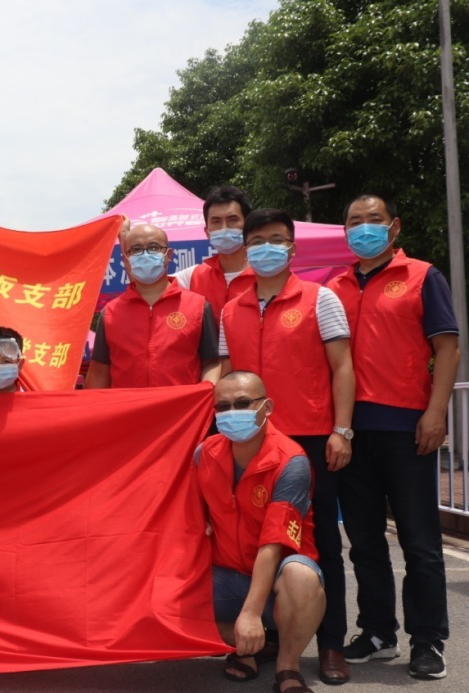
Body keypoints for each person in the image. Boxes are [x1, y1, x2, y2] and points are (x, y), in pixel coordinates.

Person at [219, 208, 355, 685]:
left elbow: (342, 366)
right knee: (256, 539)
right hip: (251, 440)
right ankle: (268, 636)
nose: (266, 249)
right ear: (245, 248)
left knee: (322, 544)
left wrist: (342, 430)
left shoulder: (322, 298)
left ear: (293, 248)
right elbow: (225, 375)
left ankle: (331, 643)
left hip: (312, 438)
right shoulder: (230, 308)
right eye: (257, 241)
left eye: (276, 239)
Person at [327, 194, 459, 680]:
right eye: (354, 222)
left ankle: (428, 640)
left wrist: (436, 411)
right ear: (345, 231)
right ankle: (378, 632)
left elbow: (447, 347)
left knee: (420, 542)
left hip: (407, 428)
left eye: (374, 220)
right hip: (350, 431)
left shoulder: (423, 277)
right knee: (363, 540)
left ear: (394, 227)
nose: (364, 228)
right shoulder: (333, 287)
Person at [195, 371, 324, 693]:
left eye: (242, 403)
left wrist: (251, 613)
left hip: (276, 579)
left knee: (302, 575)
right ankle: (246, 647)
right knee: (159, 592)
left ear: (267, 407)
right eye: (222, 407)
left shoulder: (291, 461)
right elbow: (187, 511)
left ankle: (287, 665)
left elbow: (273, 543)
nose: (231, 413)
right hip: (223, 574)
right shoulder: (204, 454)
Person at [86, 223, 220, 389]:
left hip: (182, 405)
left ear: (168, 255)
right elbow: (99, 372)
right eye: (136, 249)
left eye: (154, 247)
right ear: (126, 259)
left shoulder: (198, 306)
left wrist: (205, 391)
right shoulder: (110, 313)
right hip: (129, 405)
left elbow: (212, 363)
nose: (145, 254)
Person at [172, 185, 257, 323]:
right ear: (207, 232)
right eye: (216, 221)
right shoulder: (191, 278)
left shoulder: (265, 276)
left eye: (232, 219)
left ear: (248, 227)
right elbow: (148, 289)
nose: (224, 228)